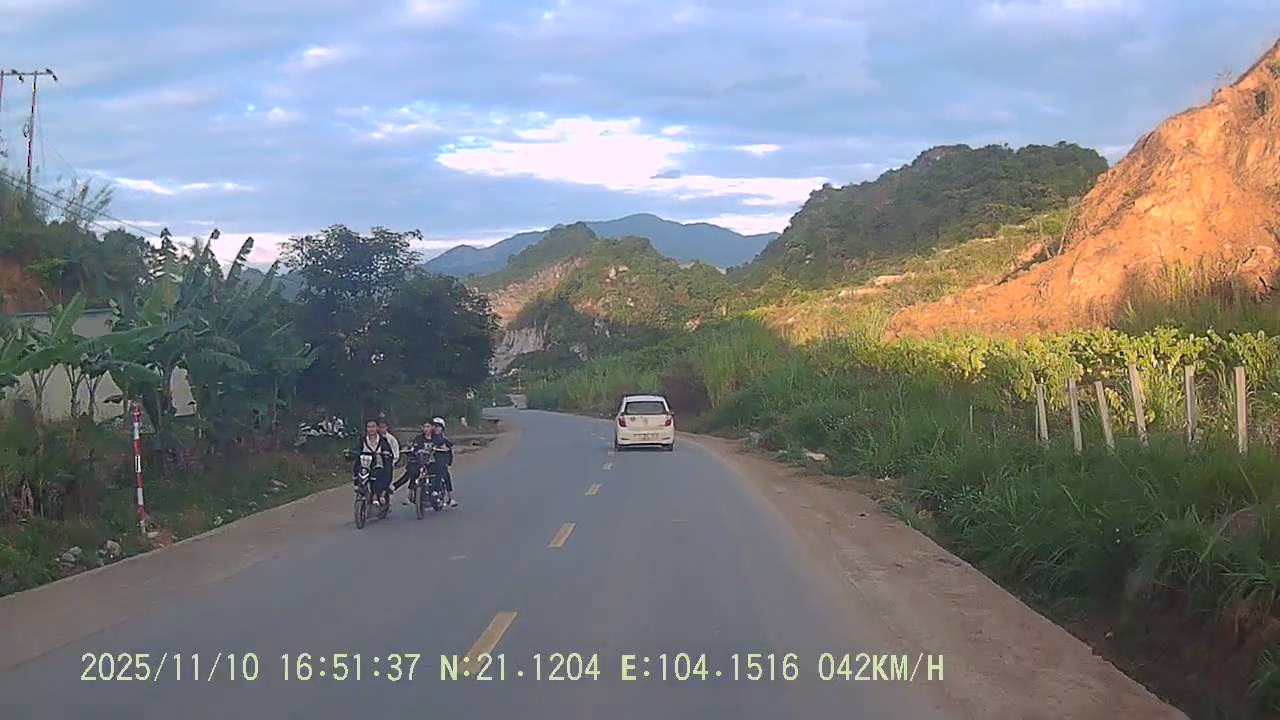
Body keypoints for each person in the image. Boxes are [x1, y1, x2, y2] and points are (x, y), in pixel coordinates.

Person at [353, 420, 395, 507]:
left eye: (373, 426)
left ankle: (378, 495)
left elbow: (388, 452)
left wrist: (385, 454)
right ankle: (357, 485)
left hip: (378, 465)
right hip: (365, 464)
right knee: (356, 465)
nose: (371, 429)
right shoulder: (362, 440)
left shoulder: (383, 440)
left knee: (382, 472)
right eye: (369, 427)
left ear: (377, 428)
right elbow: (357, 450)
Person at [394, 420, 434, 505]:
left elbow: (444, 445)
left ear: (432, 427)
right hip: (420, 461)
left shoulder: (436, 438)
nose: (426, 429)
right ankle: (409, 495)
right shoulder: (419, 438)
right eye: (425, 427)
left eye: (428, 427)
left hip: (433, 462)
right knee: (413, 472)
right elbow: (414, 448)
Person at [428, 417, 457, 507]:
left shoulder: (444, 440)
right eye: (435, 426)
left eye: (438, 427)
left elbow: (449, 451)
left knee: (445, 474)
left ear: (442, 428)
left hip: (440, 462)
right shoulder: (427, 437)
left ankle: (451, 498)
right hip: (428, 462)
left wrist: (448, 462)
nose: (436, 429)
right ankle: (410, 496)